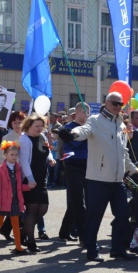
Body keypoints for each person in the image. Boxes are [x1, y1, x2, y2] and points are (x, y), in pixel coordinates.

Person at [58, 92, 138, 262]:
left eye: (120, 104)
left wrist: (134, 170)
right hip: (99, 179)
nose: (118, 106)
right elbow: (83, 130)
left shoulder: (120, 124)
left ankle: (118, 249)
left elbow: (123, 152)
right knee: (94, 217)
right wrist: (71, 134)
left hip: (117, 180)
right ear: (106, 103)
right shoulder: (95, 120)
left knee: (122, 215)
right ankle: (91, 249)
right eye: (114, 103)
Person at [18, 113, 56, 253]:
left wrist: (50, 159)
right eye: (37, 126)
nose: (40, 128)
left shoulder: (42, 137)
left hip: (41, 178)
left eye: (41, 126)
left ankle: (23, 232)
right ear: (29, 126)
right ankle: (31, 242)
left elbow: (47, 151)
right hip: (30, 179)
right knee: (32, 210)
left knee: (43, 208)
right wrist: (30, 179)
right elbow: (24, 161)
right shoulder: (24, 139)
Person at [57, 102, 89, 243]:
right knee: (79, 201)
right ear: (77, 113)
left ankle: (64, 231)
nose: (87, 115)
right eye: (84, 112)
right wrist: (85, 132)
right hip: (73, 165)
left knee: (76, 202)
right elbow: (76, 142)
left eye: (88, 112)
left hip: (87, 165)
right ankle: (84, 235)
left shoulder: (88, 127)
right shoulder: (69, 127)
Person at [0, 141, 27, 255]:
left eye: (16, 155)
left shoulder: (18, 168)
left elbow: (18, 186)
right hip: (3, 201)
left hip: (14, 200)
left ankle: (18, 246)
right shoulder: (0, 170)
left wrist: (27, 187)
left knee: (15, 224)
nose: (14, 157)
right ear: (5, 155)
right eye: (12, 154)